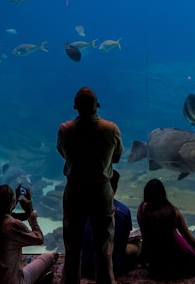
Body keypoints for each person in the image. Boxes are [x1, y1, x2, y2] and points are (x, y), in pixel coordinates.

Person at [56, 87, 123, 284]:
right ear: (97, 105)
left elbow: (63, 153)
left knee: (72, 244)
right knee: (104, 245)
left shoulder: (65, 129)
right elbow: (116, 157)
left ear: (75, 107)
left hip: (75, 189)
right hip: (101, 190)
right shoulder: (111, 129)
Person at [0, 184, 57, 284]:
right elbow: (39, 239)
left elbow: (3, 214)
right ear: (12, 202)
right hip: (12, 281)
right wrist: (31, 215)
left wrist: (13, 201)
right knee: (48, 257)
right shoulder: (13, 225)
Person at [81, 169, 138, 278]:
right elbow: (123, 242)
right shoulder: (123, 210)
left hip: (84, 268)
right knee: (136, 245)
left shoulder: (82, 207)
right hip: (113, 269)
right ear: (115, 187)